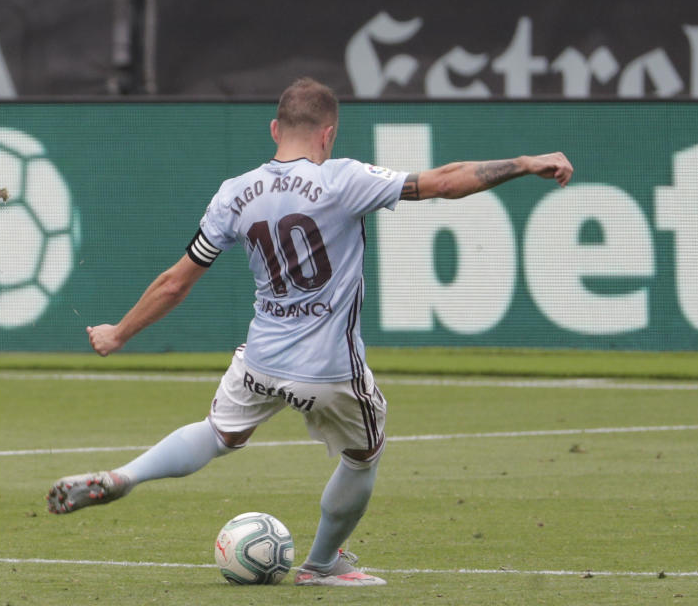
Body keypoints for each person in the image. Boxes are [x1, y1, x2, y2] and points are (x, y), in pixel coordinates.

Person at [46, 77, 573, 587]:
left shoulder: (235, 193)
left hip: (261, 359)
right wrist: (525, 164)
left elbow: (172, 285)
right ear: (328, 133)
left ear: (275, 129)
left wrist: (118, 333)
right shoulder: (343, 179)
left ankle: (125, 476)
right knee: (364, 453)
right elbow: (444, 182)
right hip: (330, 368)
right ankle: (322, 564)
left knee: (218, 433)